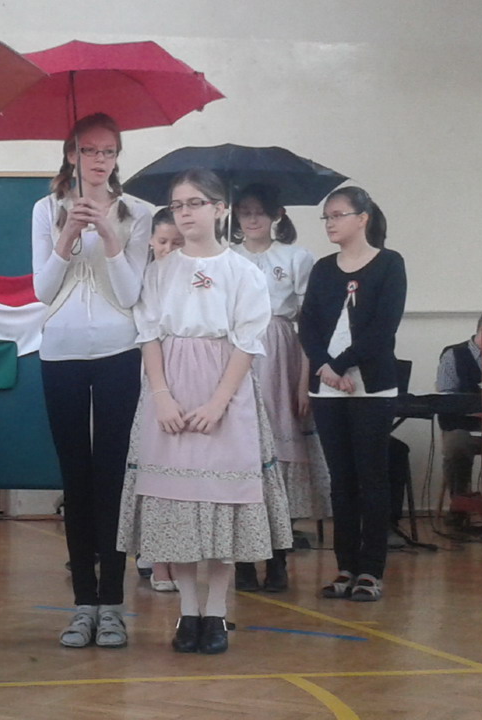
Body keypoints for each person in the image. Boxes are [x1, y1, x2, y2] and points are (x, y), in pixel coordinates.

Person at [117, 168, 291, 656]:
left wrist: (218, 403)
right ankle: (187, 612)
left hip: (225, 393)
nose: (185, 213)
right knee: (177, 506)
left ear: (220, 208)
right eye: (178, 205)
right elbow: (149, 334)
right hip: (170, 389)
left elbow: (247, 342)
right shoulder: (159, 271)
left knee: (221, 504)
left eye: (195, 203)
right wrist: (161, 396)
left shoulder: (243, 272)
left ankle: (215, 612)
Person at [30, 113, 150, 647]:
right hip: (61, 352)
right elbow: (42, 290)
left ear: (117, 157)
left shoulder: (138, 212)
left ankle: (113, 603)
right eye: (89, 150)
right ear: (71, 154)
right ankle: (83, 603)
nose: (99, 160)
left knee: (114, 475)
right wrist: (68, 235)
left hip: (119, 351)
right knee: (75, 476)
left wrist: (109, 234)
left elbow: (130, 294)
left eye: (108, 151)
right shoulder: (46, 209)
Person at [299, 186, 407, 603]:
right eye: (326, 217)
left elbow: (383, 327)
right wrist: (325, 367)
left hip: (371, 386)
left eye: (337, 215)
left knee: (371, 477)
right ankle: (345, 566)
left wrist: (340, 365)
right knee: (341, 480)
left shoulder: (389, 263)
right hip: (328, 387)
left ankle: (371, 570)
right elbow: (308, 325)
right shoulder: (324, 269)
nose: (330, 223)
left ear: (362, 218)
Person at [229, 184, 331, 593]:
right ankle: (241, 562)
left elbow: (309, 323)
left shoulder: (296, 257)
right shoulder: (227, 258)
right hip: (237, 353)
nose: (253, 219)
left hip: (282, 356)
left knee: (280, 461)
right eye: (245, 211)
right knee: (240, 457)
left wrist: (304, 382)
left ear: (276, 214)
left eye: (260, 211)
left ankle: (278, 560)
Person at [436, 306, 482, 522]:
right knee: (456, 445)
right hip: (464, 427)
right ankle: (459, 505)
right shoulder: (453, 355)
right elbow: (447, 400)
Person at [142, 208, 181, 593]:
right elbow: (147, 331)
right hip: (155, 375)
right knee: (156, 467)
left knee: (184, 469)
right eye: (162, 241)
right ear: (151, 241)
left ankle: (181, 557)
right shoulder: (147, 277)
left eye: (176, 242)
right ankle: (156, 558)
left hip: (192, 376)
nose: (168, 249)